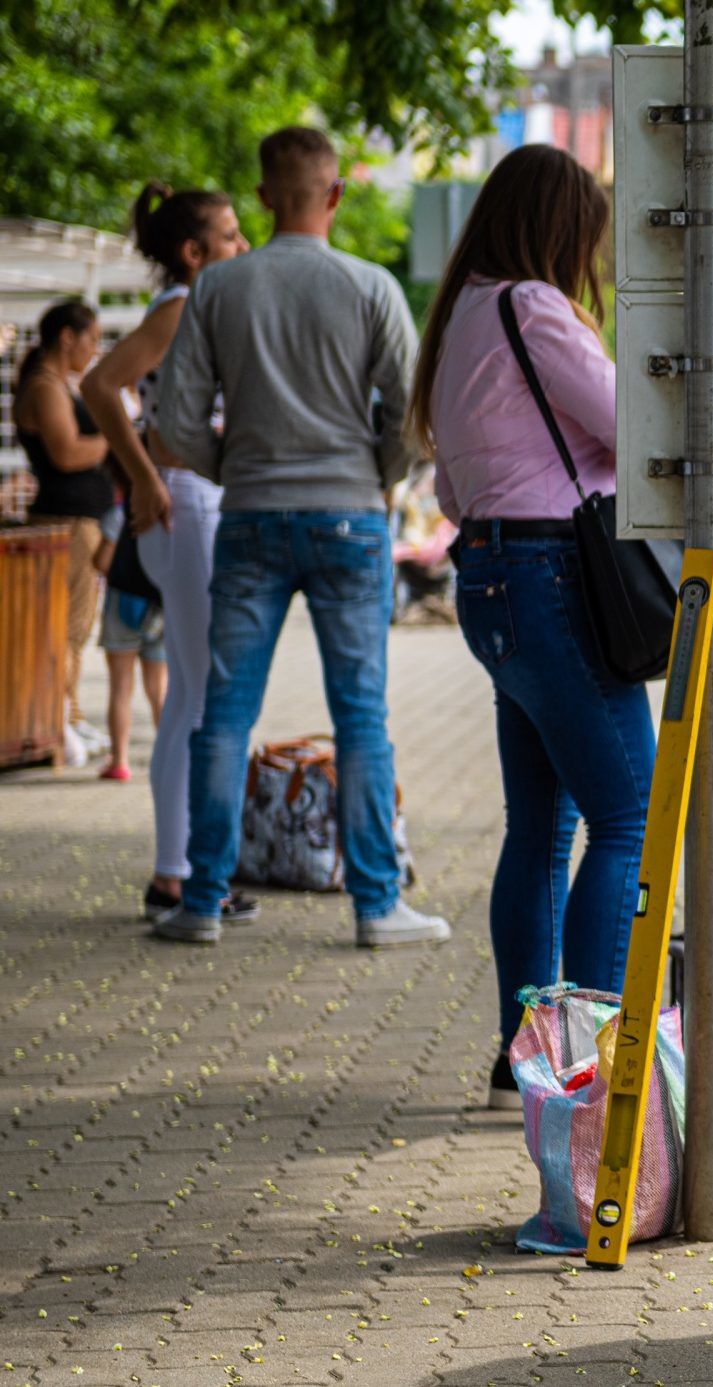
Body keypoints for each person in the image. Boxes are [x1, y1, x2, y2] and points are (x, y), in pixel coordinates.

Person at [150, 126, 442, 948]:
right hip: (350, 518)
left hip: (248, 517)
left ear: (265, 195)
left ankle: (202, 902)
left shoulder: (217, 288)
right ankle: (378, 905)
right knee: (361, 719)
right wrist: (375, 472)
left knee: (223, 718)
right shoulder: (371, 285)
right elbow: (414, 413)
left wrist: (233, 464)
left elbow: (173, 420)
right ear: (337, 194)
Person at [406, 145, 649, 1108]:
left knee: (541, 830)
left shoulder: (462, 314)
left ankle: (528, 1057)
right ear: (560, 229)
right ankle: (585, 1067)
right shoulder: (536, 310)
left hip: (490, 577)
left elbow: (452, 486)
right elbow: (634, 423)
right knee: (625, 817)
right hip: (556, 578)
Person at [80, 181, 259, 926]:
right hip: (184, 505)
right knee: (200, 697)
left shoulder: (193, 306)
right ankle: (178, 876)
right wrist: (146, 475)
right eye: (231, 235)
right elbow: (99, 384)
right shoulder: (182, 307)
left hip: (180, 504)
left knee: (190, 694)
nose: (244, 246)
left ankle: (180, 871)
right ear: (195, 252)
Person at [15, 299, 110, 753]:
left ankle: (69, 711)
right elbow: (67, 453)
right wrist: (116, 438)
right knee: (66, 627)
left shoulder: (56, 384)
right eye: (92, 337)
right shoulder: (46, 387)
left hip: (78, 521)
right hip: (67, 522)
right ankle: (58, 716)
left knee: (76, 625)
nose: (95, 348)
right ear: (67, 337)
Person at [92, 502, 167, 781]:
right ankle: (168, 754)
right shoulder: (169, 512)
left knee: (121, 687)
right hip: (160, 607)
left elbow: (101, 561)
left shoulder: (120, 513)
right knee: (159, 688)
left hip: (123, 604)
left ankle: (120, 761)